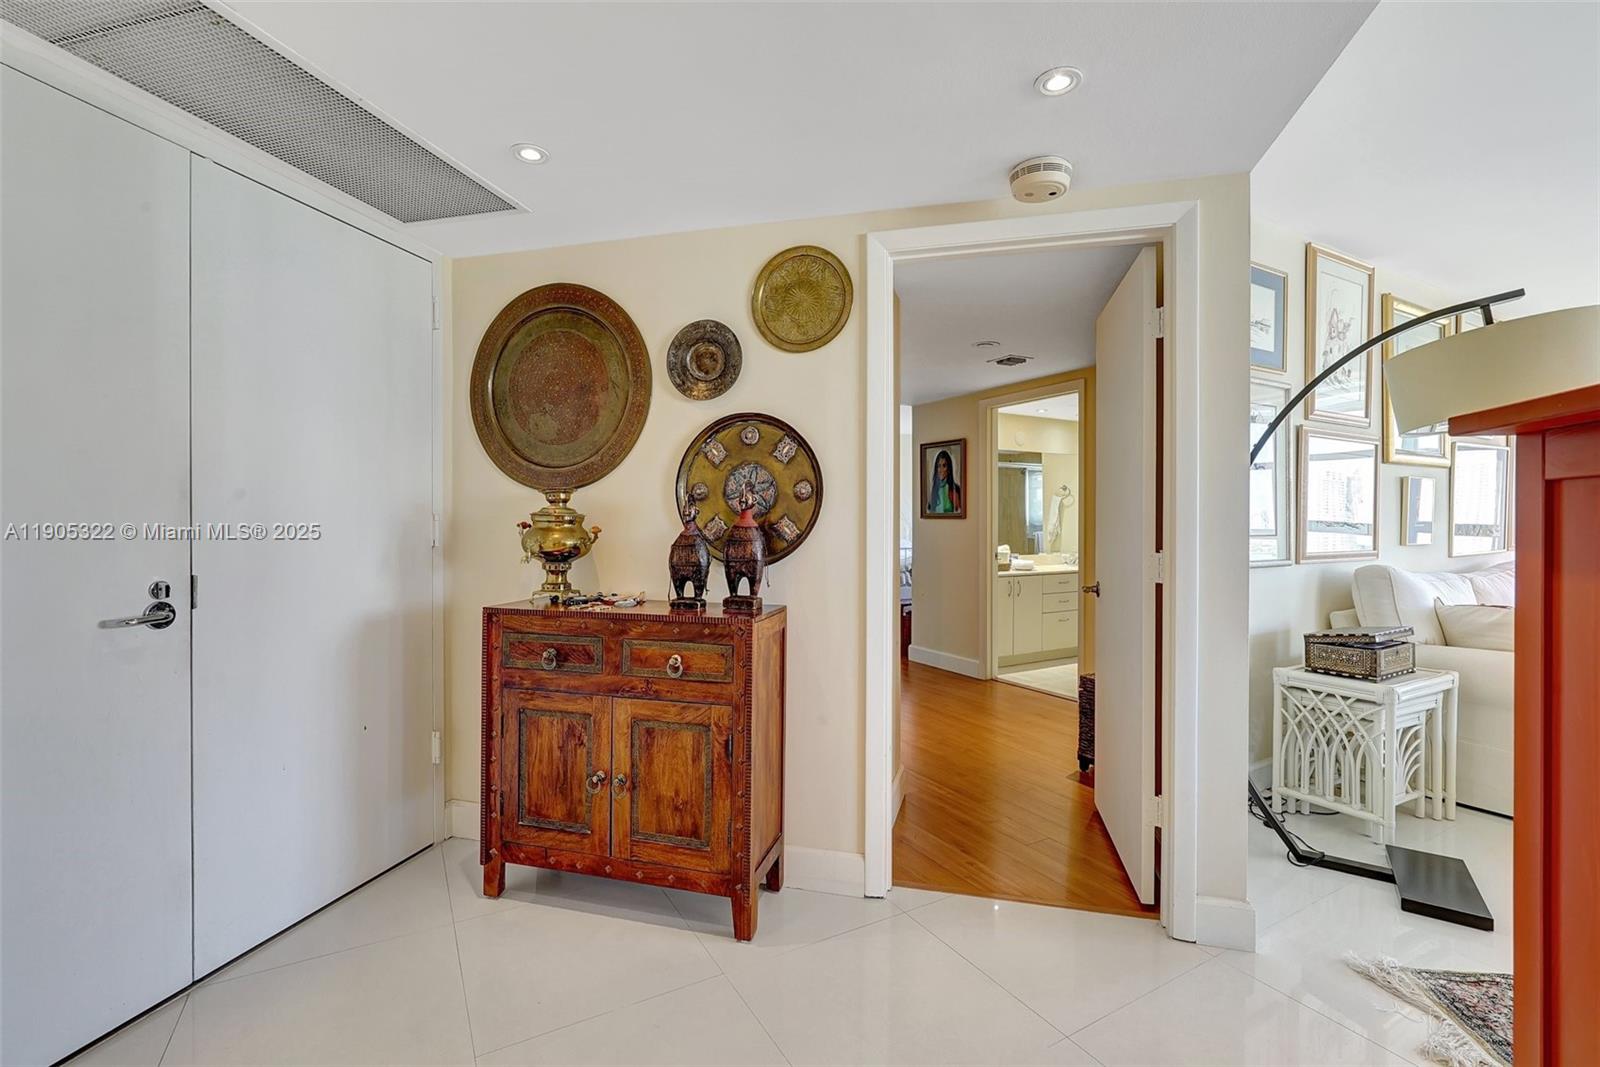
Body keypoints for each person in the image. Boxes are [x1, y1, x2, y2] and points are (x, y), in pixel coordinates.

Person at [926, 449, 962, 514]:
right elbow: (929, 511)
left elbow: (959, 512)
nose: (941, 469)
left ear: (949, 469)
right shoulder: (934, 491)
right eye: (939, 466)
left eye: (944, 465)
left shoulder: (955, 489)